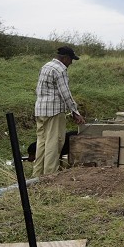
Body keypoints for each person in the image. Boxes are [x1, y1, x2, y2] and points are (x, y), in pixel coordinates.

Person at [34, 46, 85, 176]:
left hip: (40, 110)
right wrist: (75, 111)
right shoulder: (60, 69)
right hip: (54, 111)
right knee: (54, 143)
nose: (71, 63)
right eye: (71, 60)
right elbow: (65, 93)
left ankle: (37, 174)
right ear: (65, 58)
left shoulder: (46, 66)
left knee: (42, 142)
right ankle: (50, 175)